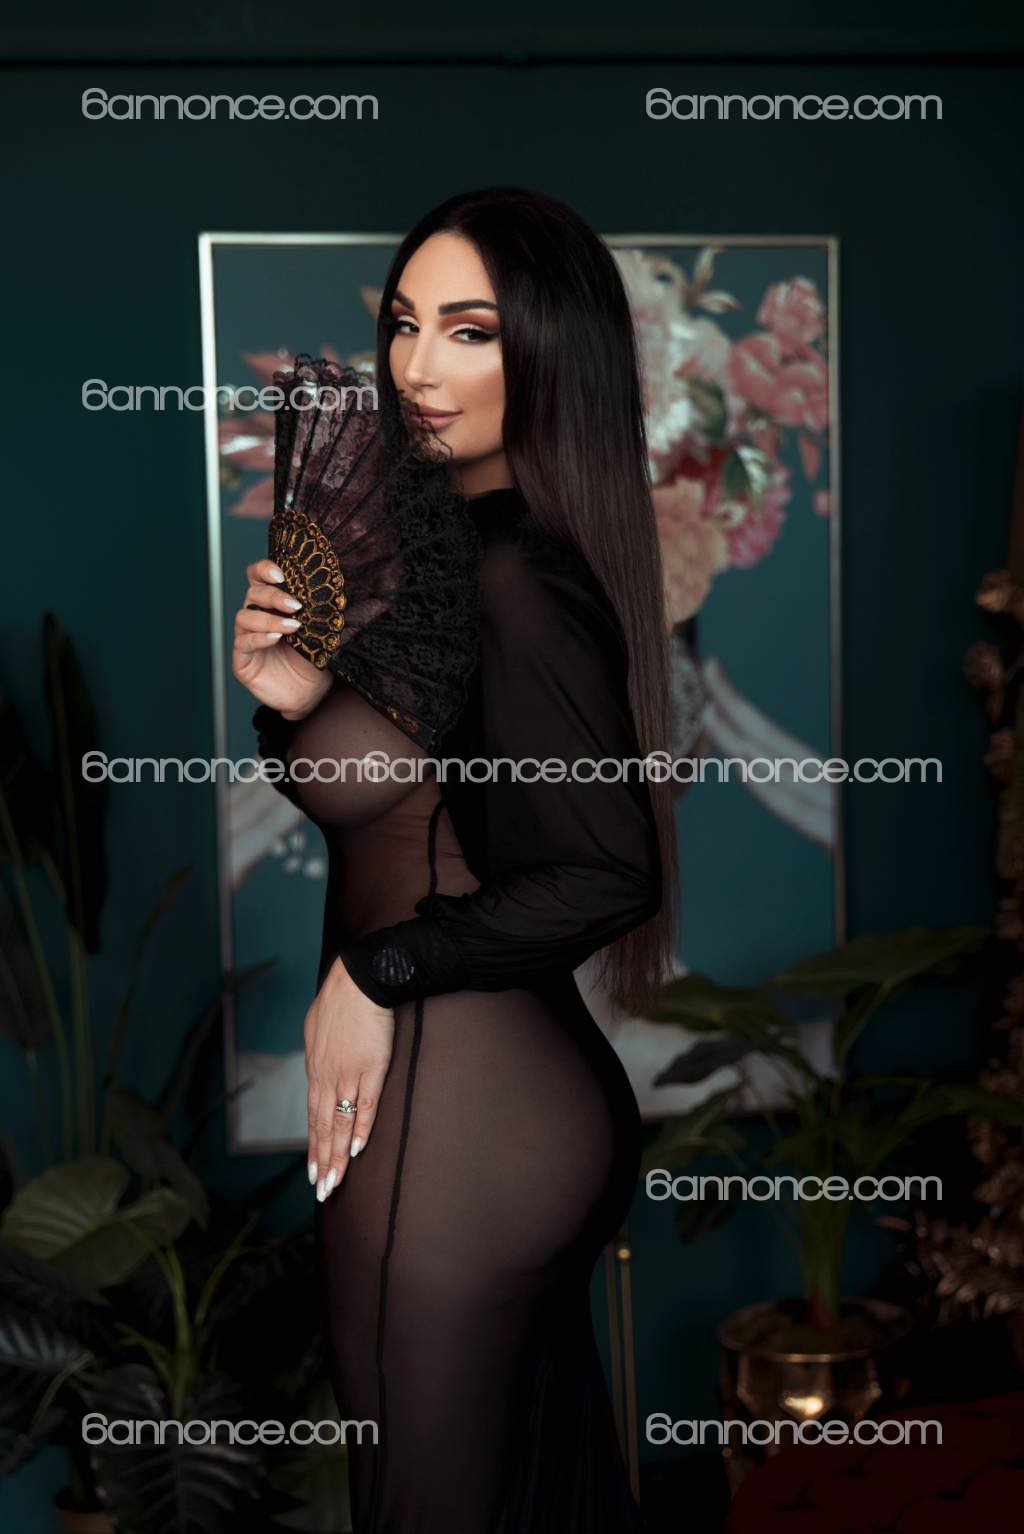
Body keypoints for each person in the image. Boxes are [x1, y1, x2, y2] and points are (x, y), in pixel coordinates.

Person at [231, 186, 678, 1533]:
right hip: (473, 1111)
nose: (419, 367)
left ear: (549, 354)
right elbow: (404, 799)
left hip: (469, 1115)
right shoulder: (448, 555)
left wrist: (378, 971)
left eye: (470, 331)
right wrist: (291, 696)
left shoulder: (516, 578)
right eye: (404, 323)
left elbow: (607, 869)